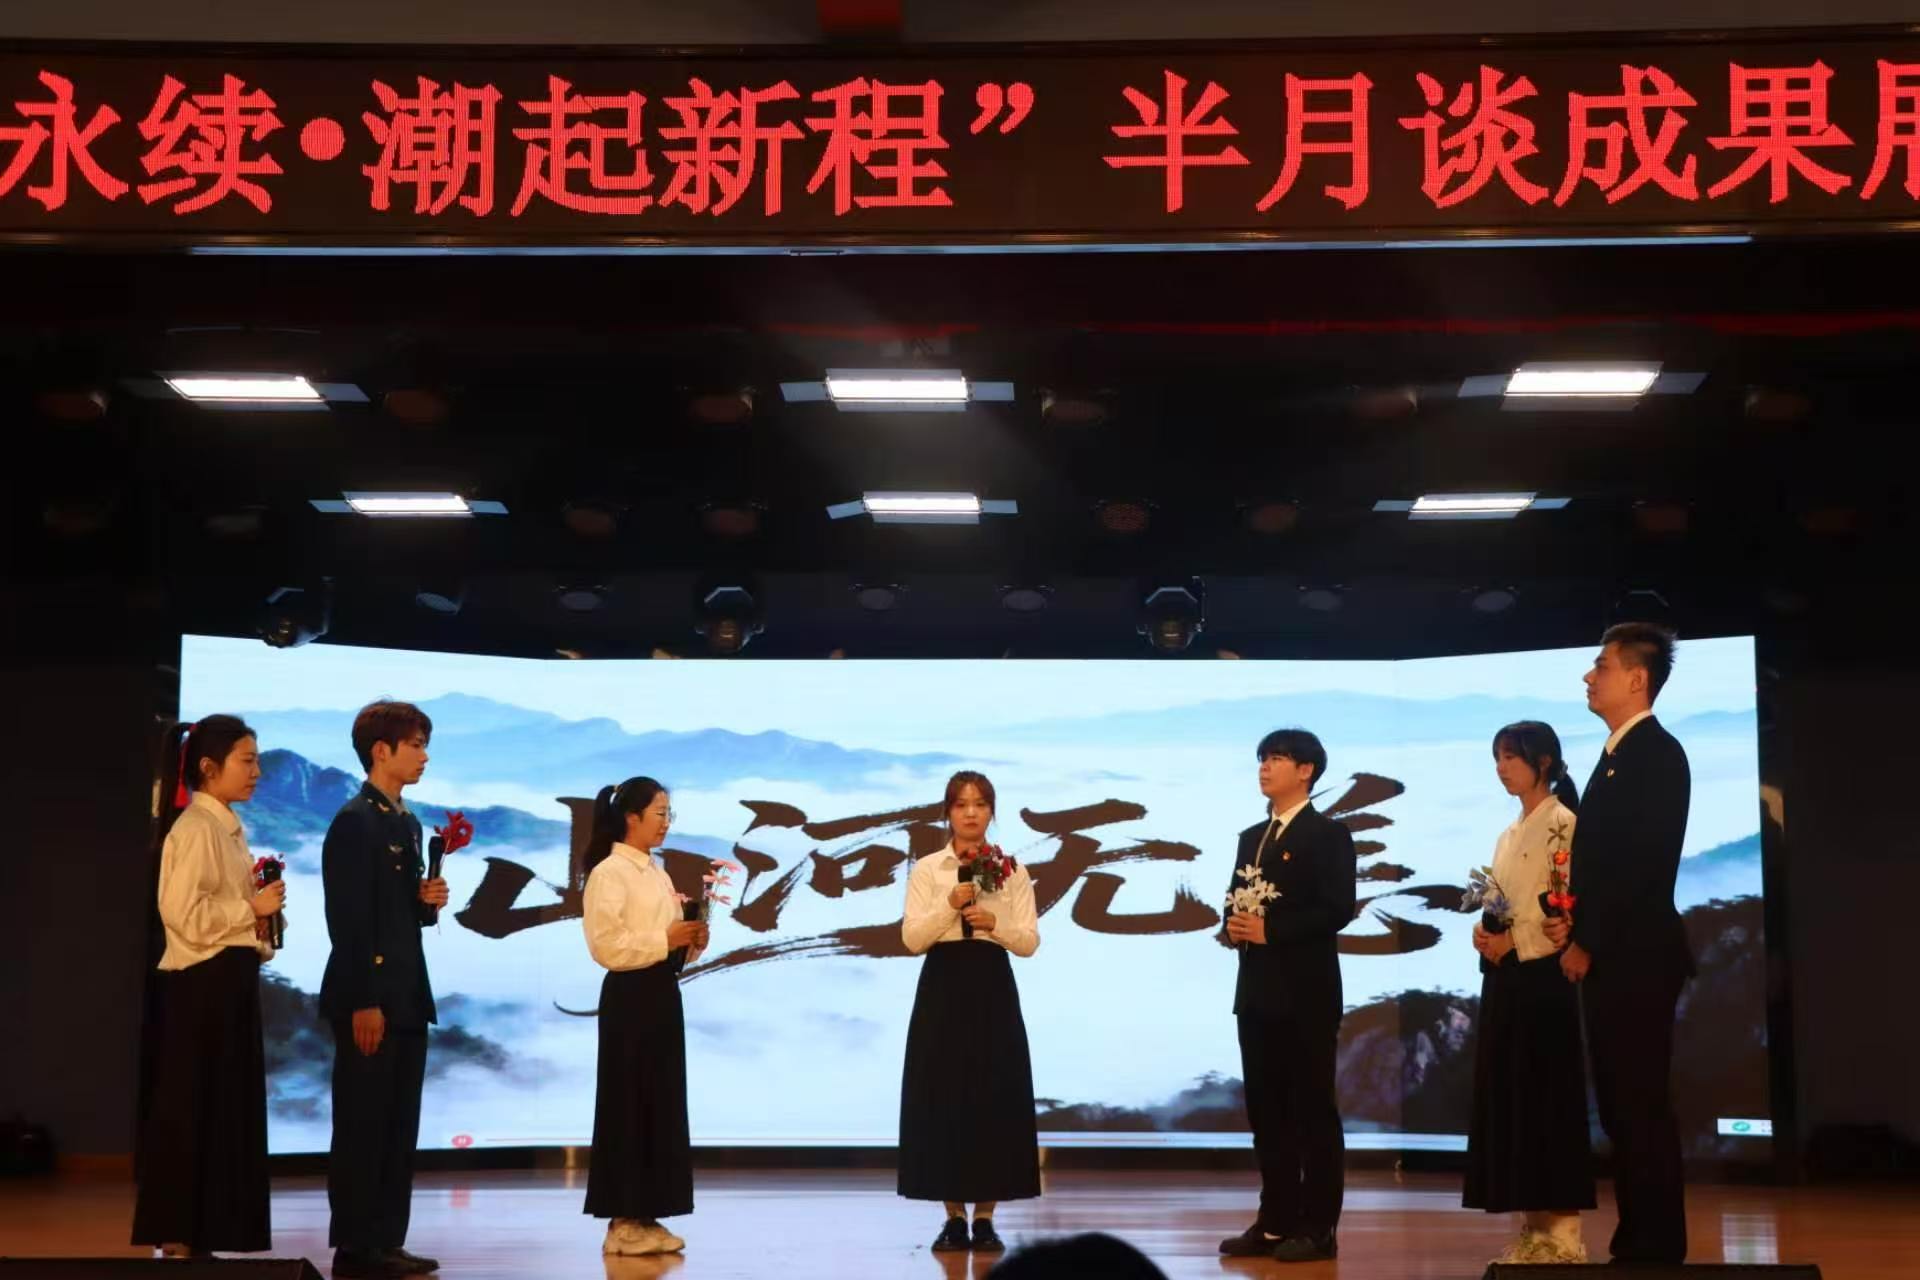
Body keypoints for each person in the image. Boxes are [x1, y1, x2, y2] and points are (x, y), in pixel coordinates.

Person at [1543, 623, 1693, 1264]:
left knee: (1639, 1105)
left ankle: (1656, 1247)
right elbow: (1599, 867)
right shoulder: (1616, 755)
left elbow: (1642, 867)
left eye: (1600, 666)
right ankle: (1638, 1241)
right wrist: (1570, 924)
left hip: (1637, 957)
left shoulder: (1654, 753)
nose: (1588, 676)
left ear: (1637, 678)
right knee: (1621, 1108)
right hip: (1618, 955)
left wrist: (1590, 942)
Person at [132, 716, 281, 1260]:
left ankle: (203, 1232)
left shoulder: (226, 828)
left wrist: (260, 923)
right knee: (194, 1109)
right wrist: (249, 909)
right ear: (208, 767)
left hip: (226, 983)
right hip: (200, 988)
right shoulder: (196, 828)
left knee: (222, 1111)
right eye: (247, 761)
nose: (256, 772)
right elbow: (180, 914)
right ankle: (180, 1232)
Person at [318, 701, 449, 1280]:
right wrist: (364, 999)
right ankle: (355, 1245)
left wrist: (426, 903)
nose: (424, 756)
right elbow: (348, 922)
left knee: (398, 1125)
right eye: (415, 745)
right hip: (369, 994)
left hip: (407, 991)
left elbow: (397, 913)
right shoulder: (356, 821)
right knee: (363, 1123)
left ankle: (387, 1240)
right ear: (381, 750)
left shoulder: (405, 822)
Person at [1218, 728, 1355, 1264]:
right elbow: (1236, 897)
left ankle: (1319, 1227)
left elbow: (1336, 909)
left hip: (1307, 995)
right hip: (1256, 993)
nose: (1265, 767)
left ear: (1306, 770)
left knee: (1312, 1113)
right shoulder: (1252, 836)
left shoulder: (1328, 834)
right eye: (1262, 759)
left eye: (1276, 758)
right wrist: (1233, 925)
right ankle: (1275, 1221)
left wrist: (1270, 930)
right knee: (1267, 1113)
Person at [1463, 721, 1595, 1263]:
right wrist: (1486, 936)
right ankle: (1534, 1232)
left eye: (1511, 757)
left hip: (1544, 980)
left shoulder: (1564, 825)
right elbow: (1504, 905)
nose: (1501, 768)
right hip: (1508, 981)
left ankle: (1562, 1238)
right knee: (1516, 1102)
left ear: (1543, 762)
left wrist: (1514, 942)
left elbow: (1566, 911)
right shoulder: (1510, 833)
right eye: (1496, 758)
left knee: (1548, 1101)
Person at [899, 770, 1041, 1255]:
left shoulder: (1011, 869)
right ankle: (953, 1217)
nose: (971, 813)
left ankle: (985, 1218)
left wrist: (995, 923)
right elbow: (912, 938)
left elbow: (1029, 942)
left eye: (980, 804)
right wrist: (949, 906)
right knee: (943, 1097)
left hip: (991, 985)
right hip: (942, 986)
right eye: (961, 805)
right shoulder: (928, 869)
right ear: (948, 812)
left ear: (991, 811)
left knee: (993, 1095)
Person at [581, 776, 708, 1257]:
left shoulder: (657, 872)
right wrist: (665, 940)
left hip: (660, 991)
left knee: (659, 1100)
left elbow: (666, 942)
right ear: (631, 818)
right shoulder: (609, 873)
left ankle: (648, 1211)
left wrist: (690, 942)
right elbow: (605, 946)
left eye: (668, 814)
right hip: (629, 996)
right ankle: (621, 1220)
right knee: (627, 1103)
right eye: (659, 813)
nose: (666, 823)